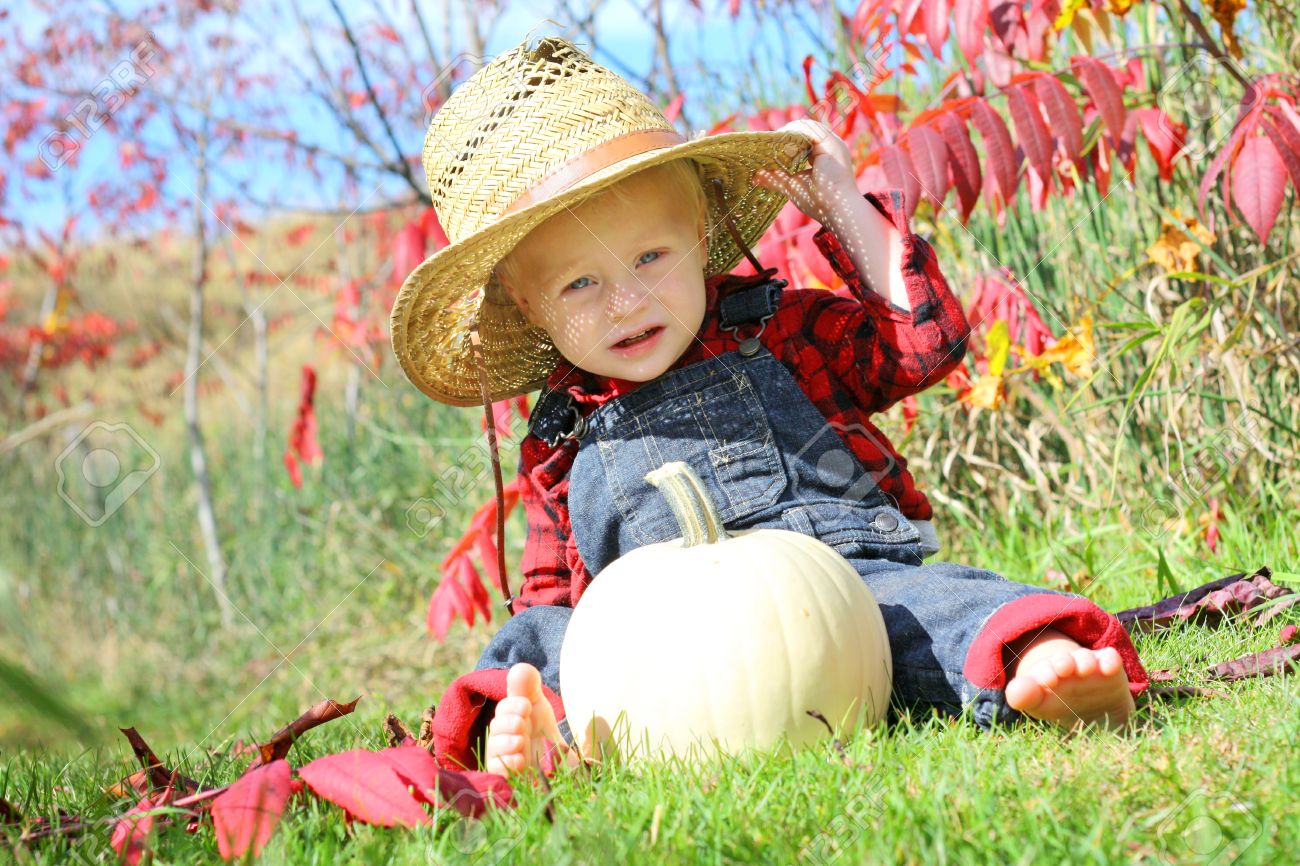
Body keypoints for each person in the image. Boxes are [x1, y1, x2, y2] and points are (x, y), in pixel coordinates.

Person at [389, 36, 1149, 776]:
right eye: (579, 285)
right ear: (530, 309)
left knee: (930, 607)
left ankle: (1039, 662)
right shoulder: (562, 433)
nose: (627, 300)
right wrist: (562, 656)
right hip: (662, 656)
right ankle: (534, 727)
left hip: (840, 600)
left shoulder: (772, 329)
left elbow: (923, 345)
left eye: (651, 257)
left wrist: (844, 203)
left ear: (699, 234)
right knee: (536, 632)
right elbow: (552, 588)